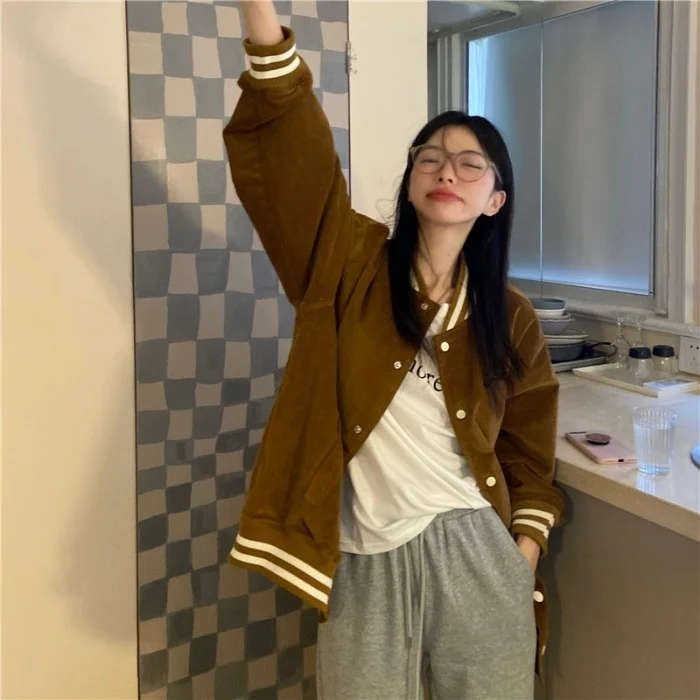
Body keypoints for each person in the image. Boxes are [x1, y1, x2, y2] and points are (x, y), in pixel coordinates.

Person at [224, 3, 564, 698]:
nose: (447, 170)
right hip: (365, 551)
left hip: (477, 548)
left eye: (470, 164)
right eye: (430, 157)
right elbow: (295, 165)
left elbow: (528, 448)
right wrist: (259, 13)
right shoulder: (347, 266)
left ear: (495, 200)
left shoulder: (510, 317)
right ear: (411, 181)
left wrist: (522, 549)